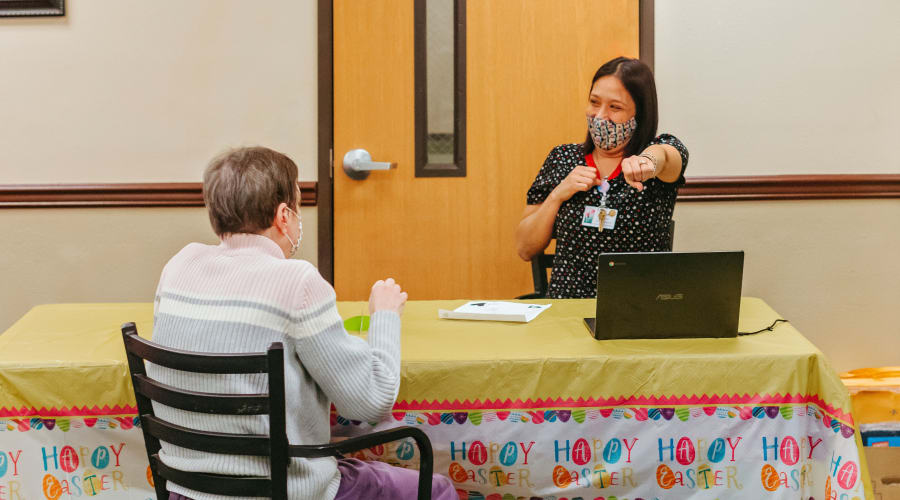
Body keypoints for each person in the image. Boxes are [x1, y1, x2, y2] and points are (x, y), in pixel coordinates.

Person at [149, 147, 458, 500]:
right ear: (283, 215)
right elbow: (369, 404)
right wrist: (385, 317)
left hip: (185, 491)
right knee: (437, 490)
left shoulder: (178, 266)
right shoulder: (297, 281)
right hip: (284, 491)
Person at [515, 57, 690, 298]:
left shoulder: (655, 162)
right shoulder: (563, 158)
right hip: (567, 308)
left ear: (640, 112)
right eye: (594, 103)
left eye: (615, 107)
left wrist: (646, 163)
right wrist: (557, 195)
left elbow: (668, 155)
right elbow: (525, 248)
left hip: (638, 308)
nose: (600, 116)